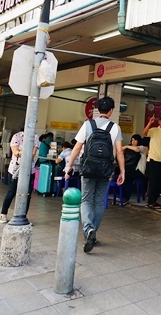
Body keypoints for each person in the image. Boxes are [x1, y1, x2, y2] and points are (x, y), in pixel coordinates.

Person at [63, 96, 125, 253]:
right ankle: (93, 232)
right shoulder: (115, 127)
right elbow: (119, 151)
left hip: (88, 169)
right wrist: (122, 171)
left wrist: (69, 166)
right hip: (105, 170)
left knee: (85, 200)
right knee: (98, 202)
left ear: (97, 110)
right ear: (111, 111)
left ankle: (88, 229)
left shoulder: (87, 125)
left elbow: (77, 148)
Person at [0, 130, 40, 223]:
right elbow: (15, 152)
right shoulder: (16, 136)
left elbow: (33, 153)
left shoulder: (35, 137)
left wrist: (21, 152)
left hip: (30, 169)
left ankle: (23, 216)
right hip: (15, 169)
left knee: (28, 194)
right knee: (11, 192)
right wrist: (25, 152)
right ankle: (3, 214)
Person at [142, 113, 161, 210]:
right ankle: (150, 202)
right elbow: (144, 133)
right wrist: (150, 123)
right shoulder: (153, 130)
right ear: (159, 122)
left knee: (159, 182)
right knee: (153, 182)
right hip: (153, 160)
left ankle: (154, 201)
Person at [121, 134, 147, 202]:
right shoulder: (129, 148)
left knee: (127, 176)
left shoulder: (142, 148)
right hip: (130, 170)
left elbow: (137, 149)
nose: (133, 142)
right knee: (122, 174)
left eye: (135, 140)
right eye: (132, 140)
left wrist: (126, 146)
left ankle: (126, 197)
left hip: (139, 171)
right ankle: (121, 195)